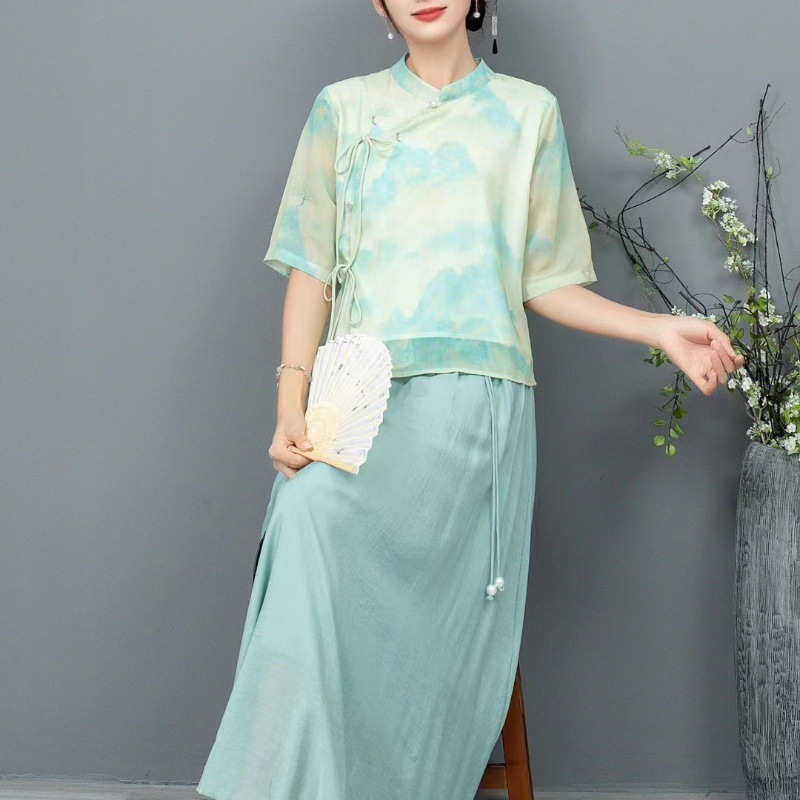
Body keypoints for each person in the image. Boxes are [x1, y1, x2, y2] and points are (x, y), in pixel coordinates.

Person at [196, 2, 746, 799]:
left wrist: (659, 328)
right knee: (307, 517)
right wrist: (292, 404)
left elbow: (546, 281)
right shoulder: (342, 110)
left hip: (472, 421)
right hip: (359, 412)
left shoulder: (528, 114)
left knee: (328, 537)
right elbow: (311, 272)